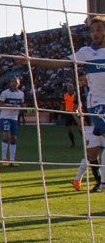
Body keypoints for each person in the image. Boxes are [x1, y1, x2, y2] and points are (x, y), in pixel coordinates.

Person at [25, 15, 104, 192]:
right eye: (92, 30)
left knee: (92, 152)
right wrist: (33, 60)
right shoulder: (86, 52)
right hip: (97, 105)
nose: (95, 33)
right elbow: (57, 64)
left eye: (99, 29)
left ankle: (100, 182)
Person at [0, 76, 25, 167]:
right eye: (12, 81)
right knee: (6, 136)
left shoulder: (21, 94)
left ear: (18, 84)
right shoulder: (5, 93)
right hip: (5, 117)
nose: (13, 83)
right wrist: (10, 106)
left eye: (15, 82)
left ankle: (12, 160)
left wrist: (22, 109)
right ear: (10, 83)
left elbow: (23, 104)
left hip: (14, 118)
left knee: (14, 138)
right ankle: (4, 159)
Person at [63, 83, 78, 148]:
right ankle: (73, 144)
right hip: (68, 113)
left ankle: (87, 142)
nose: (69, 88)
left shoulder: (76, 95)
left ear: (73, 88)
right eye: (68, 87)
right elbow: (64, 103)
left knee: (80, 128)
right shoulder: (65, 95)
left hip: (75, 113)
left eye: (71, 87)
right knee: (69, 129)